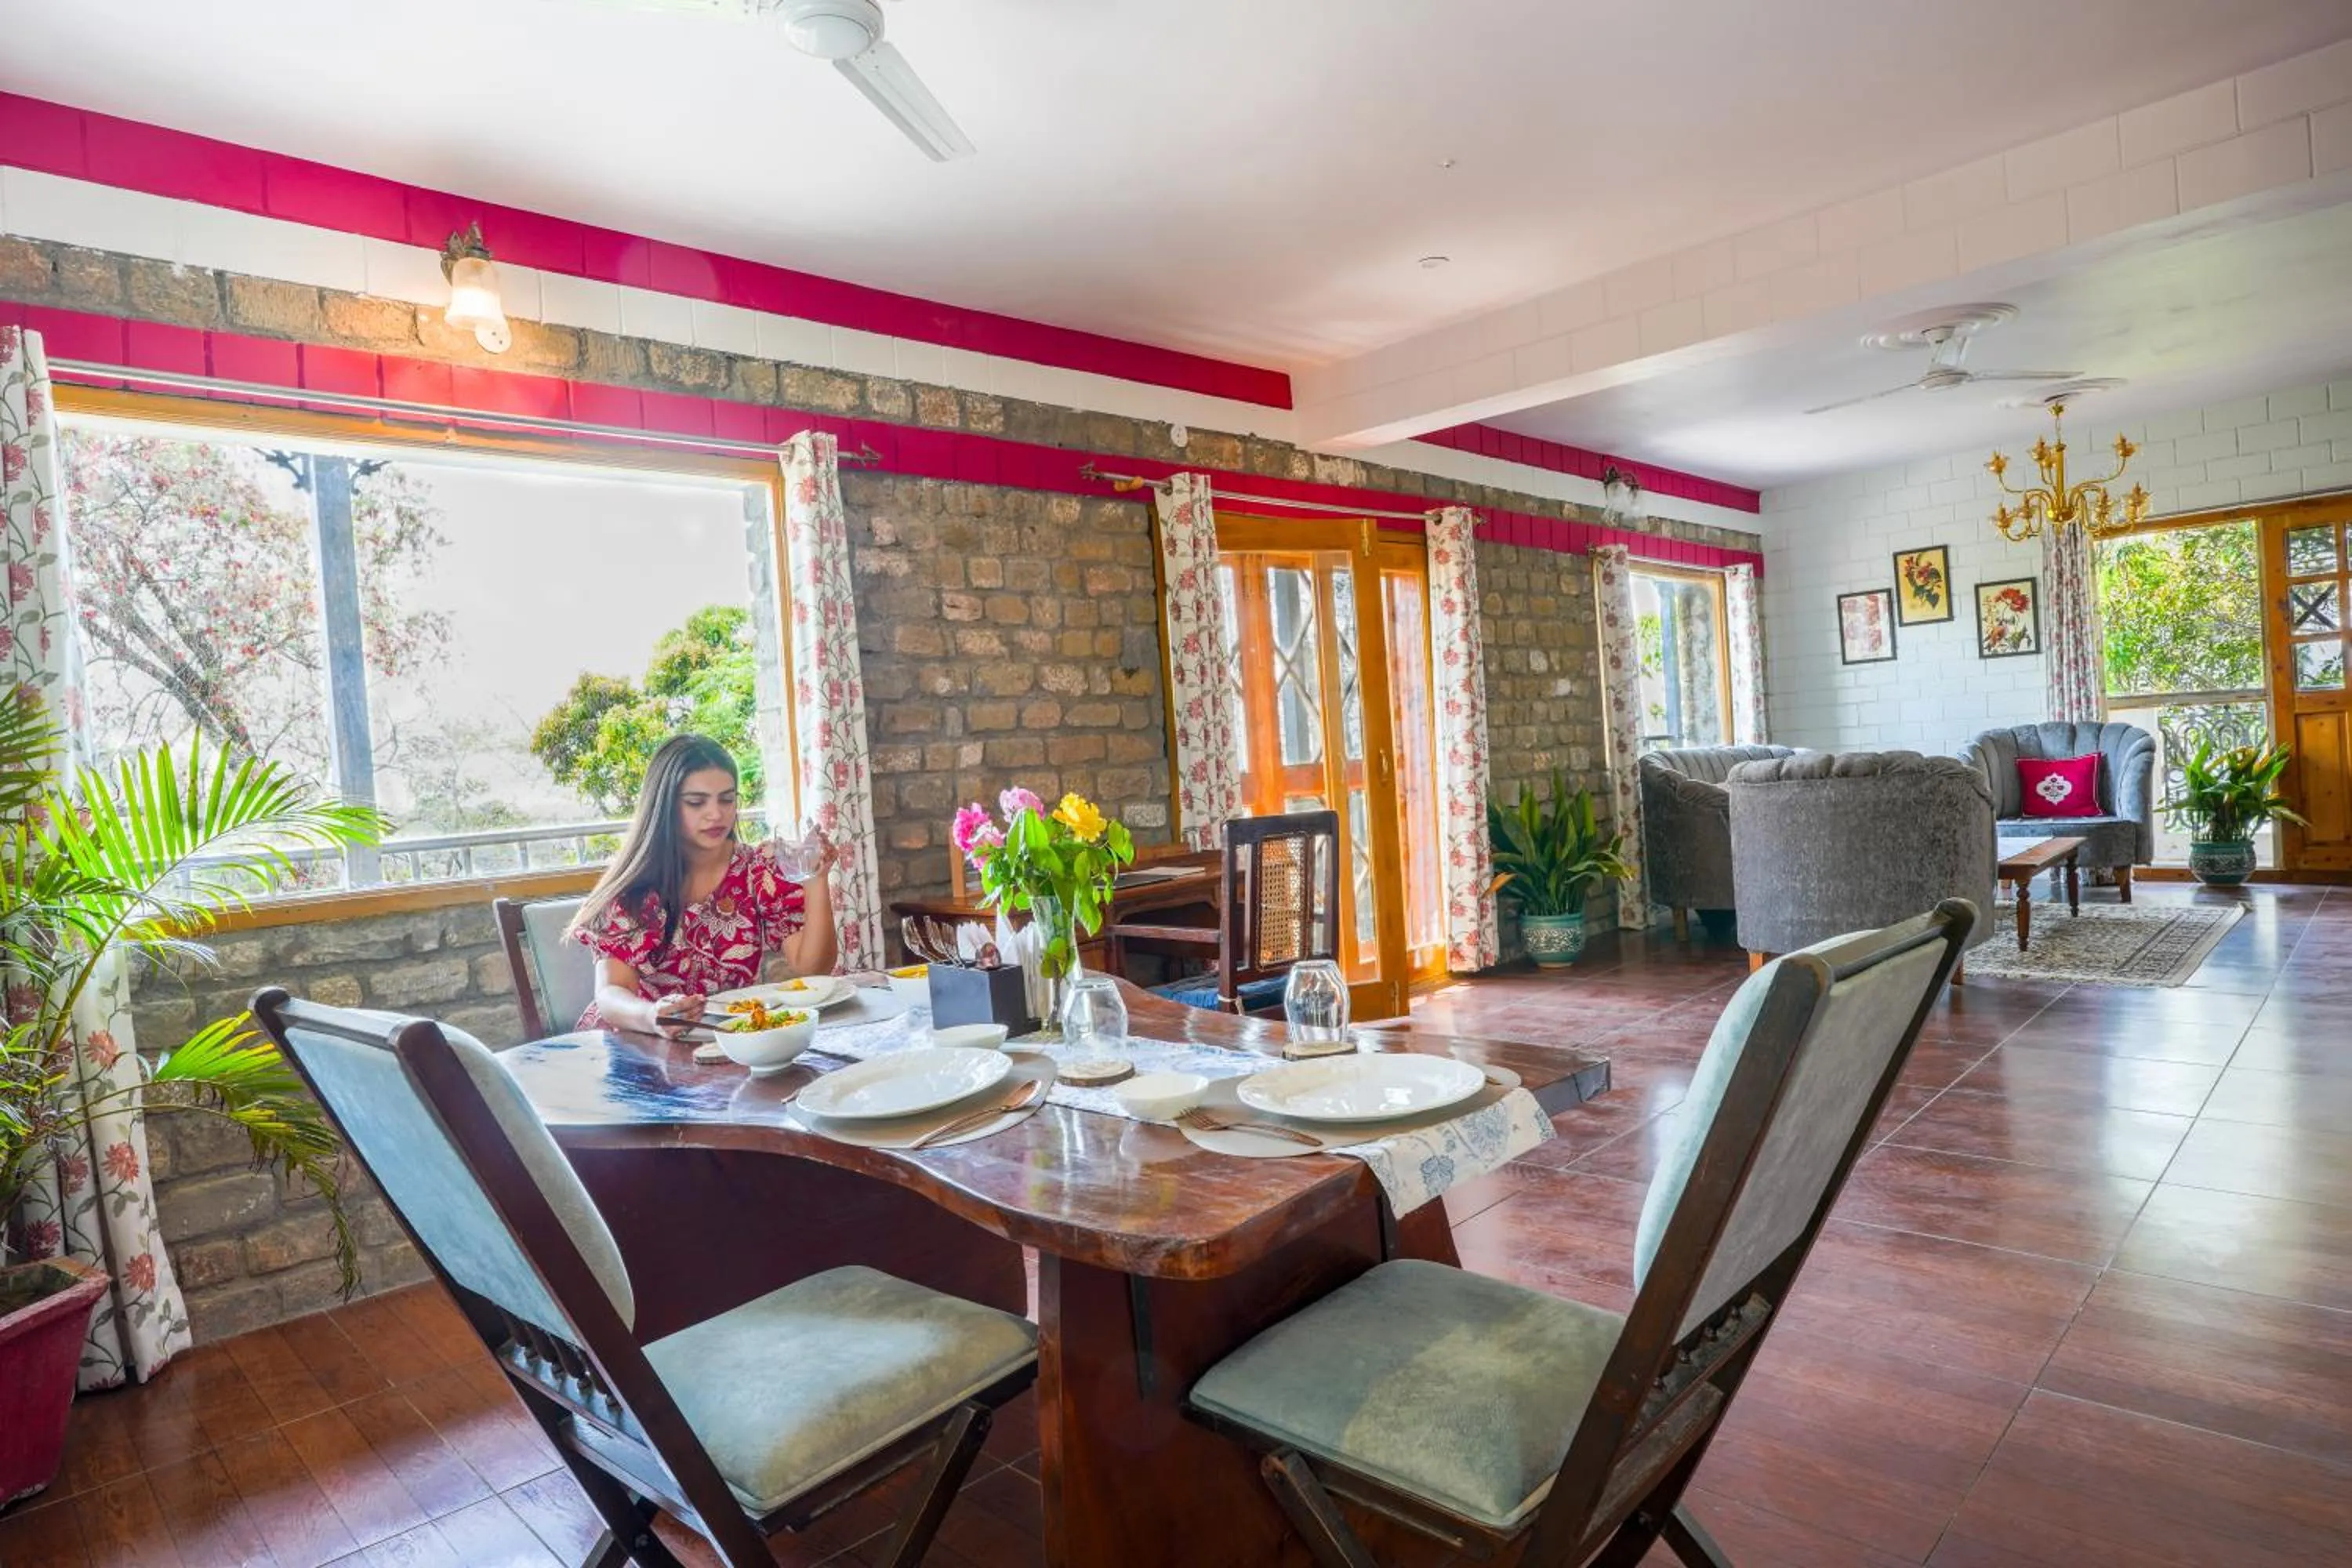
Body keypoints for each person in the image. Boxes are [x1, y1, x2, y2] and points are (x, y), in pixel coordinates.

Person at [568, 734, 838, 1033]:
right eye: (697, 802)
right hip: (636, 1041)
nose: (716, 814)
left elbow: (813, 968)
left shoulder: (756, 871)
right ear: (665, 806)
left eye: (727, 799)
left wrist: (816, 879)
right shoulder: (635, 889)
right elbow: (610, 994)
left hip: (722, 1039)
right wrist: (653, 1017)